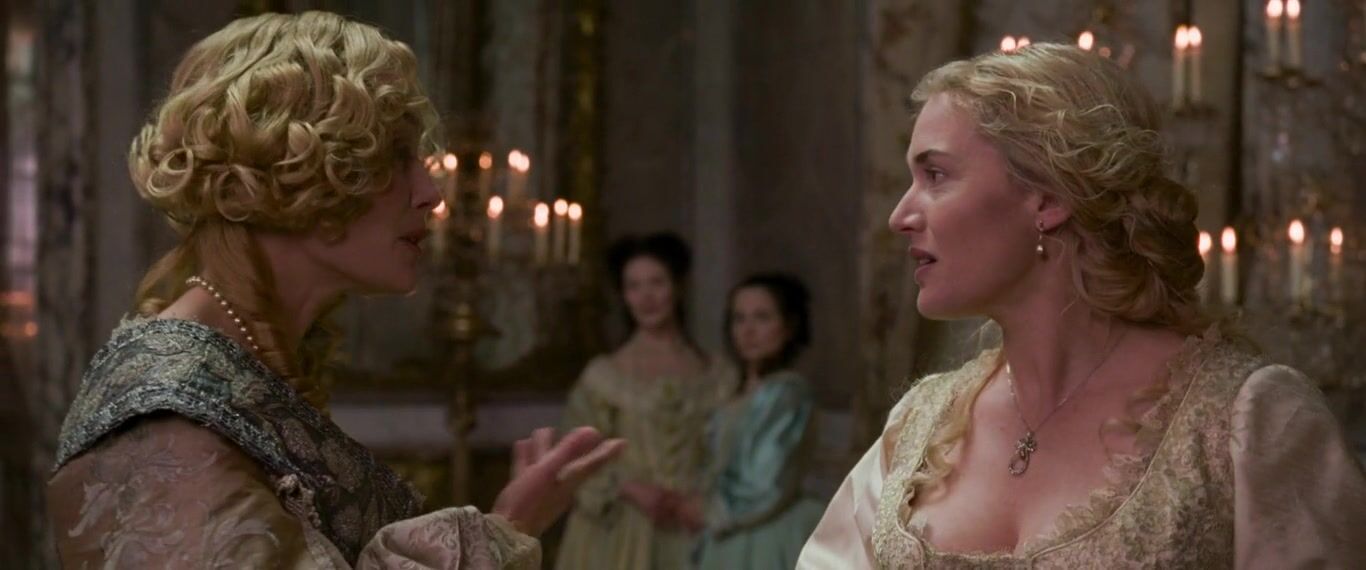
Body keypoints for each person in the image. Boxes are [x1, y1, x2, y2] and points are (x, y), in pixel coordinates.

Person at [45, 12, 622, 569]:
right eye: (396, 157)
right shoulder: (164, 415)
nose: (431, 192)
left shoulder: (237, 364)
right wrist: (506, 530)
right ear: (297, 169)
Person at [796, 43, 1366, 569]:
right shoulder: (918, 429)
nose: (900, 216)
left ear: (1047, 197)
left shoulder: (1245, 420)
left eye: (936, 175)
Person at [556, 233, 734, 570]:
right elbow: (574, 454)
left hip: (693, 524)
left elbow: (730, 451)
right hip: (621, 530)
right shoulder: (605, 375)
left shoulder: (718, 375)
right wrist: (629, 488)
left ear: (678, 287)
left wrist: (701, 501)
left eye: (656, 283)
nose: (646, 297)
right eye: (633, 286)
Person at [680, 272, 825, 569]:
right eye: (739, 318)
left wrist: (710, 509)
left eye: (762, 317)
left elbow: (765, 479)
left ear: (788, 327)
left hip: (763, 532)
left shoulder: (786, 392)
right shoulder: (733, 391)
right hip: (729, 533)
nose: (748, 330)